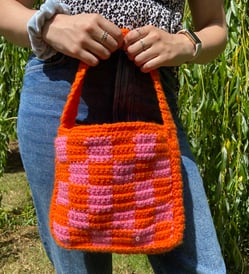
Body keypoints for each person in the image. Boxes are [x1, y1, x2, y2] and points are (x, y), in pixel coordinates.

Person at [0, 0, 227, 273]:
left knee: (203, 266)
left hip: (151, 93)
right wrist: (49, 25)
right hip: (60, 93)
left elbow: (215, 26)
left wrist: (185, 44)